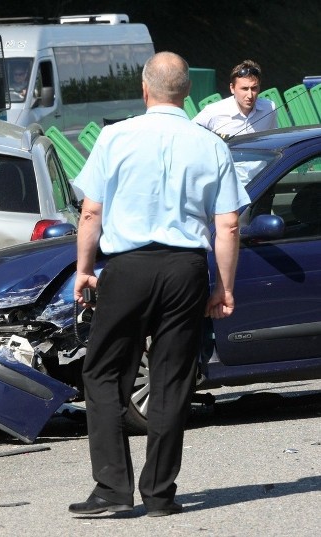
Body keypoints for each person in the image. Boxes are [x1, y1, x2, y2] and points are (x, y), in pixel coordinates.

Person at [69, 52, 249, 518]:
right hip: (186, 269)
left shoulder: (114, 136)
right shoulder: (211, 145)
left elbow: (91, 212)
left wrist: (84, 268)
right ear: (188, 94)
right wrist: (223, 287)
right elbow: (227, 225)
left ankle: (111, 488)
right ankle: (160, 495)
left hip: (128, 268)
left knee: (103, 372)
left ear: (144, 90)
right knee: (172, 380)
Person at [192, 59, 277, 137]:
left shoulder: (269, 108)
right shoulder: (214, 111)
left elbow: (273, 139)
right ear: (232, 88)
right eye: (244, 89)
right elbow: (188, 132)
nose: (250, 95)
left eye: (254, 88)